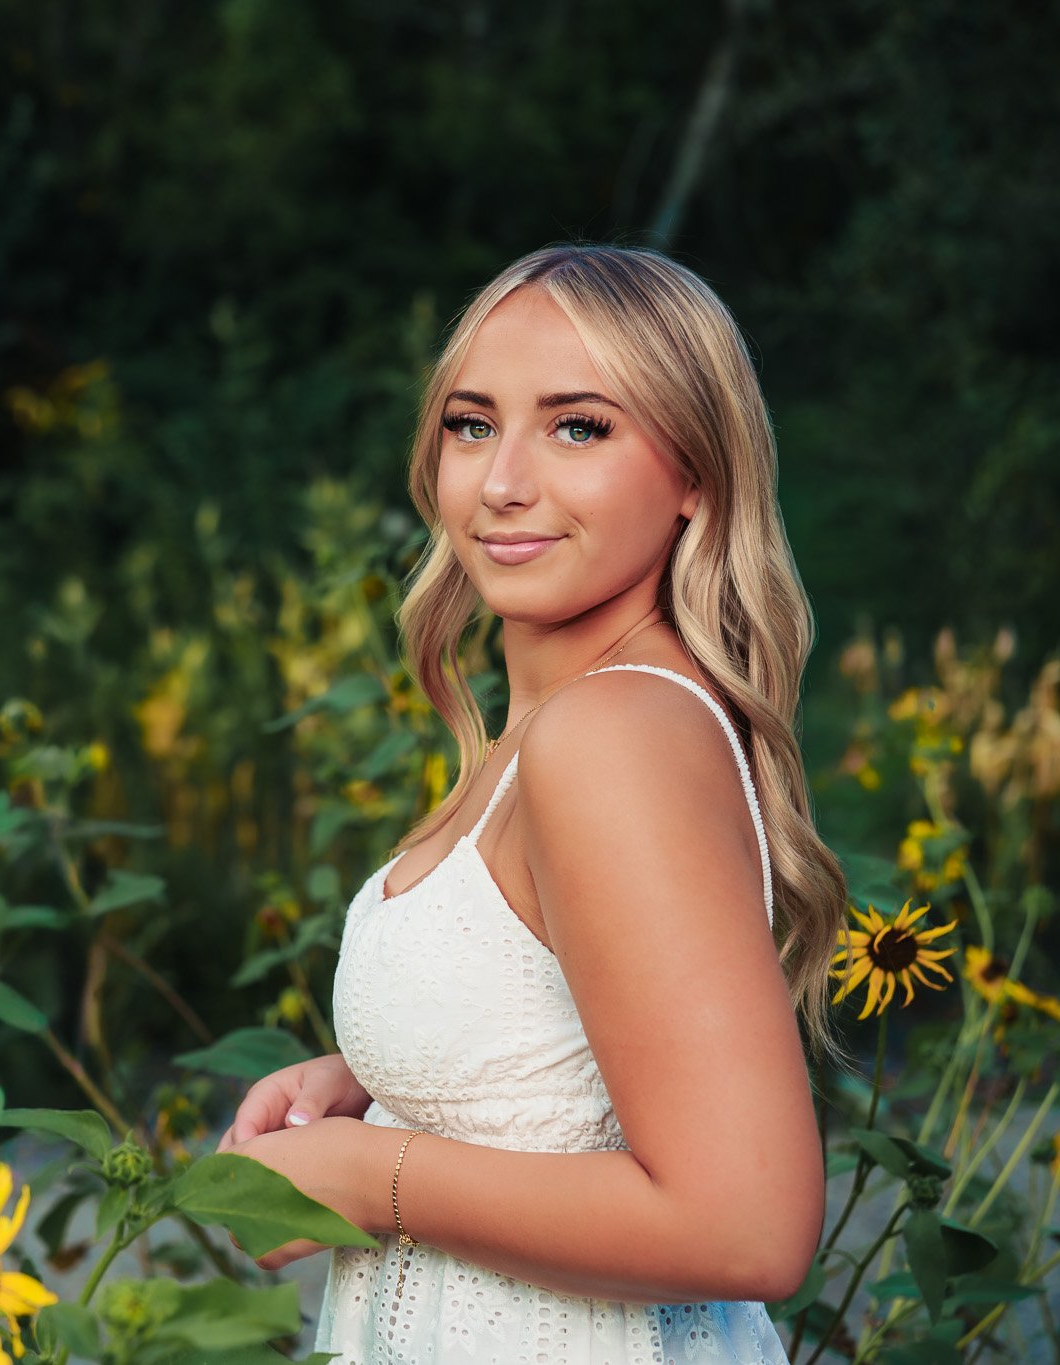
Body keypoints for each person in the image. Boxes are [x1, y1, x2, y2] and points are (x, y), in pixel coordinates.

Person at [216, 243, 852, 1362]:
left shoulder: (610, 736)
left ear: (695, 473)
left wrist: (372, 1175)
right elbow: (569, 1042)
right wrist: (378, 1086)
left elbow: (746, 1224)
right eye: (470, 424)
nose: (501, 481)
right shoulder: (551, 731)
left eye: (578, 427)